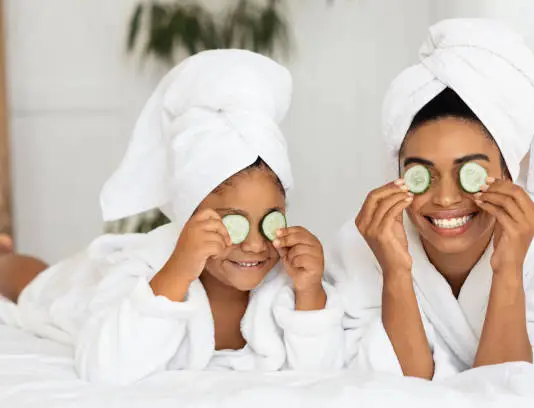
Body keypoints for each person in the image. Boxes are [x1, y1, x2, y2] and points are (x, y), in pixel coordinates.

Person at [0, 50, 344, 385]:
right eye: (232, 222)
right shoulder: (143, 272)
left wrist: (310, 292)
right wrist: (178, 269)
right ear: (188, 217)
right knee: (41, 285)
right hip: (98, 288)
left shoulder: (285, 284)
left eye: (270, 219)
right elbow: (104, 368)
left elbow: (322, 371)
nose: (255, 244)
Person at [327, 19, 534, 380]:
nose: (444, 198)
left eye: (469, 172)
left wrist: (509, 270)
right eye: (421, 173)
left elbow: (515, 393)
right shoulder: (362, 242)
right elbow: (397, 389)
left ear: (509, 170)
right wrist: (396, 272)